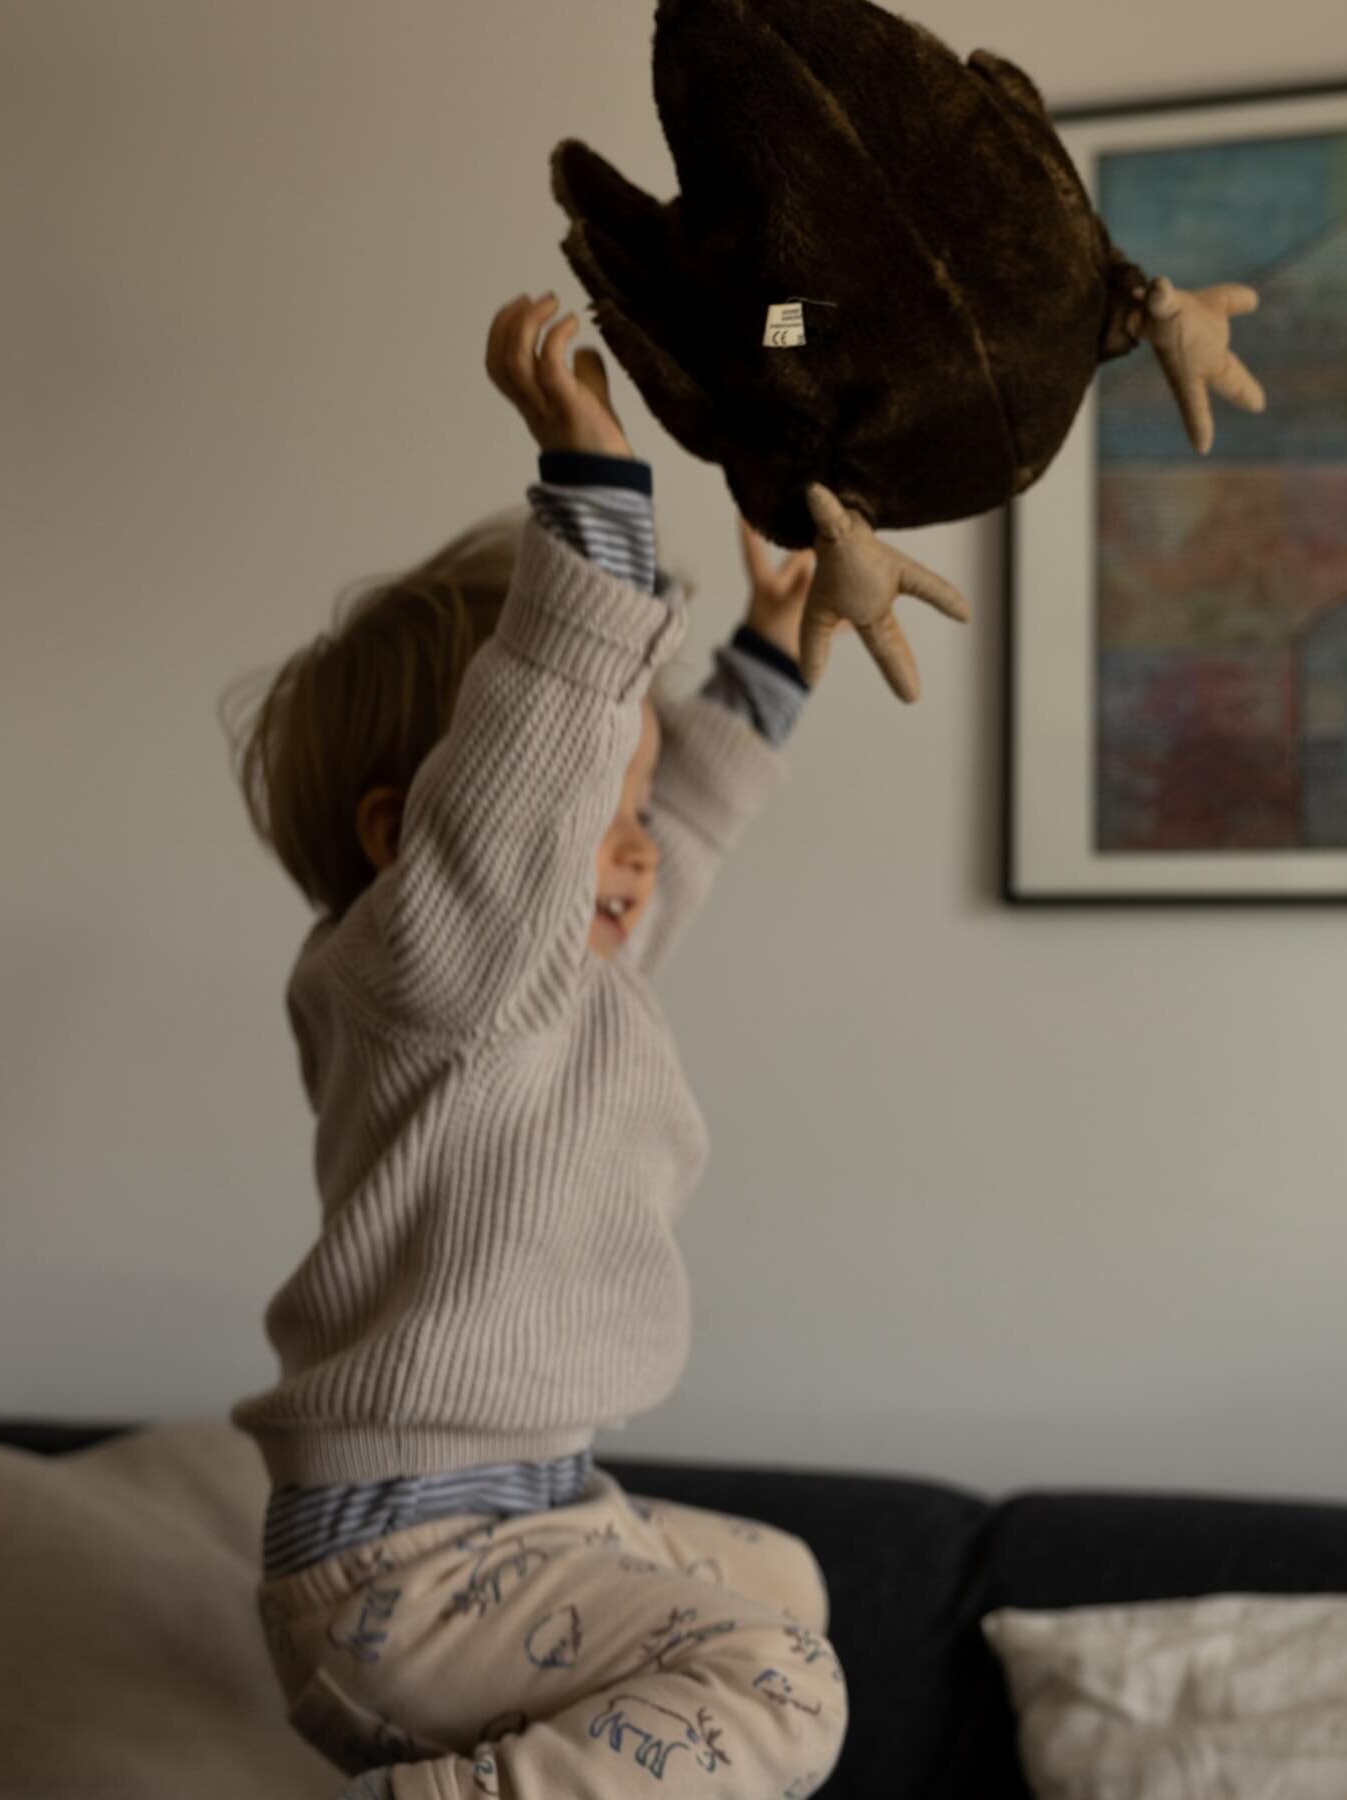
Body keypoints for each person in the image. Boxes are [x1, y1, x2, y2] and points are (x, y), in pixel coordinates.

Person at [221, 289, 851, 1800]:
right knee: (780, 1687)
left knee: (789, 1587)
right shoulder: (437, 970)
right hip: (406, 1566)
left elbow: (683, 816)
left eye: (630, 815)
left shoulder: (569, 981)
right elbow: (530, 780)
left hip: (533, 1522)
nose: (634, 854)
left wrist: (774, 650)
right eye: (598, 815)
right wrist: (594, 498)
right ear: (417, 845)